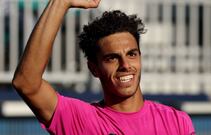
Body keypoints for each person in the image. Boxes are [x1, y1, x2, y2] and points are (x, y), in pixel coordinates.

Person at [12, 0, 196, 134]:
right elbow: (26, 83)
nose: (125, 65)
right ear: (94, 69)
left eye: (131, 54)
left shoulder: (177, 122)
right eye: (112, 58)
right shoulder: (80, 120)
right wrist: (60, 3)